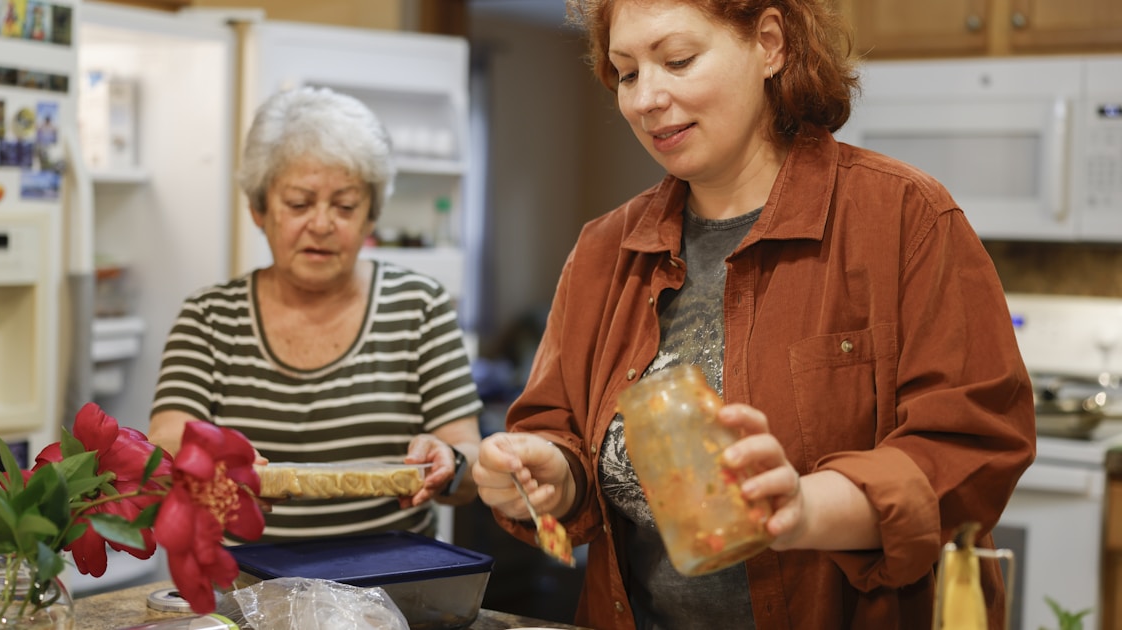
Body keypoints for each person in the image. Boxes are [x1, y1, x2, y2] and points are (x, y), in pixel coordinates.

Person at [471, 1, 1036, 629]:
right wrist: (555, 473)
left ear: (769, 44)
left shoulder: (906, 218)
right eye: (627, 73)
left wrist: (806, 507)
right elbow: (561, 428)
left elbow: (972, 446)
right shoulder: (604, 251)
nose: (645, 98)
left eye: (677, 60)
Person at [149, 86, 483, 541]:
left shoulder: (418, 307)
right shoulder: (209, 318)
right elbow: (165, 445)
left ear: (370, 218)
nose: (323, 224)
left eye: (345, 206)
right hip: (246, 587)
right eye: (300, 203)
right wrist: (208, 462)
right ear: (259, 210)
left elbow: (468, 464)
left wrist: (450, 459)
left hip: (388, 587)